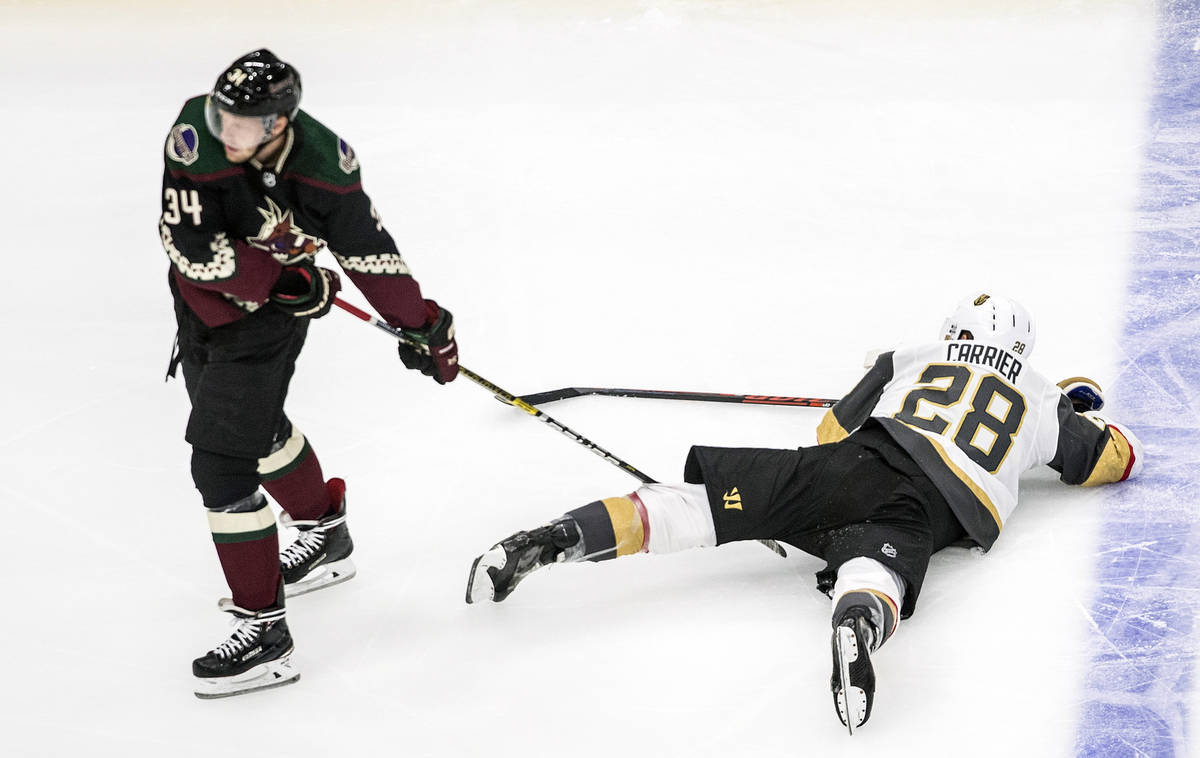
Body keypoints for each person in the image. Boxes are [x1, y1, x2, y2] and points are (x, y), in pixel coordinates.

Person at [464, 292, 1142, 733]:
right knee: (880, 570)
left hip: (857, 460)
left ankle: (550, 539)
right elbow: (1116, 460)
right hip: (931, 506)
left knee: (697, 508)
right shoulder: (1042, 395)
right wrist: (1064, 412)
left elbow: (830, 432)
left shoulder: (913, 355)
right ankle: (856, 626)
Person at [160, 49, 459, 698]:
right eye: (221, 113)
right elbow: (192, 251)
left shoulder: (322, 167)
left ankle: (265, 635)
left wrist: (421, 322)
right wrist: (288, 278)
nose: (224, 129)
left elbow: (369, 252)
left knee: (220, 466)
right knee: (257, 434)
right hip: (201, 306)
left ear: (279, 124)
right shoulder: (195, 138)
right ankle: (325, 534)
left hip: (262, 330)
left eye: (242, 122)